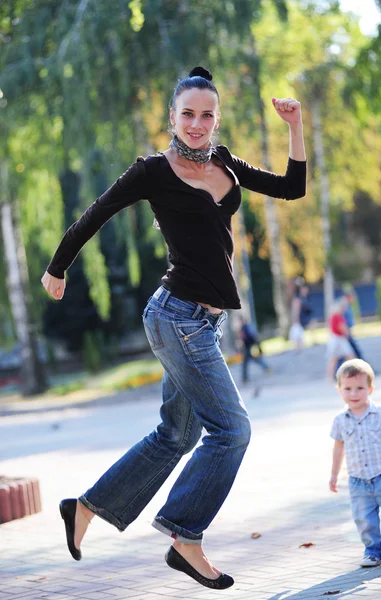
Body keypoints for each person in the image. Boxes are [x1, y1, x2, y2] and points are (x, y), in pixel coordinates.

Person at [41, 66, 306, 589]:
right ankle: (186, 536)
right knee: (232, 430)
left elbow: (292, 188)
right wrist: (57, 267)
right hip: (175, 316)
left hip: (199, 325)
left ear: (216, 118)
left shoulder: (225, 162)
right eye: (188, 114)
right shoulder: (151, 172)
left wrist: (295, 127)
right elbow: (94, 216)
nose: (197, 123)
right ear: (172, 116)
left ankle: (86, 509)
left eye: (207, 114)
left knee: (176, 436)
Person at [329, 359, 381, 567]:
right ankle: (372, 551)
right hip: (358, 481)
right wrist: (333, 475)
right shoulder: (340, 420)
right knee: (364, 519)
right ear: (340, 390)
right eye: (348, 389)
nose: (354, 394)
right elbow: (338, 448)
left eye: (360, 388)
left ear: (370, 388)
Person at [326, 298, 355, 381]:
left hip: (336, 339)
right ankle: (352, 373)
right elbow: (342, 327)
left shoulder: (334, 317)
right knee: (349, 356)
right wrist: (347, 334)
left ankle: (331, 377)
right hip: (338, 339)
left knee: (335, 359)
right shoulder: (337, 317)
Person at [239, 316, 269, 383]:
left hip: (249, 348)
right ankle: (266, 367)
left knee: (247, 363)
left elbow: (253, 337)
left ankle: (245, 378)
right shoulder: (243, 328)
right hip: (247, 348)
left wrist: (258, 347)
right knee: (253, 361)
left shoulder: (246, 328)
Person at [289, 284, 313, 350]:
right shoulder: (298, 299)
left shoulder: (306, 299)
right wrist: (296, 320)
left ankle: (300, 346)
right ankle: (297, 347)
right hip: (300, 319)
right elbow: (296, 311)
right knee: (297, 334)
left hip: (305, 318)